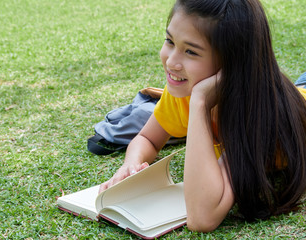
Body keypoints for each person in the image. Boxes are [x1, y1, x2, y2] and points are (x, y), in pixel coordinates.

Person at [99, 0, 306, 232]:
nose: (171, 61)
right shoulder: (181, 94)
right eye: (170, 41)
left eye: (191, 51)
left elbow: (202, 217)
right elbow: (148, 138)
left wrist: (199, 101)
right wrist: (131, 164)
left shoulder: (260, 119)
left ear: (232, 63)